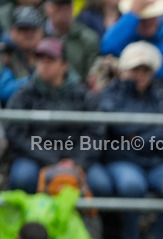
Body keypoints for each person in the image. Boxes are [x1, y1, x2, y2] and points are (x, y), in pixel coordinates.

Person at [92, 41, 163, 239]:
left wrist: (135, 137)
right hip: (122, 160)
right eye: (135, 69)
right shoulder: (111, 93)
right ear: (124, 71)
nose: (140, 75)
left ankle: (158, 238)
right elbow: (118, 124)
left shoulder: (158, 95)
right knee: (131, 184)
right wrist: (149, 127)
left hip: (155, 160)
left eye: (145, 70)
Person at [5, 37, 105, 194]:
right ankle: (31, 219)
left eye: (51, 59)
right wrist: (52, 159)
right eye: (40, 59)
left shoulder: (83, 96)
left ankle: (92, 219)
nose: (44, 64)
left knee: (100, 184)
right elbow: (16, 133)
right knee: (23, 178)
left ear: (64, 65)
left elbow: (96, 132)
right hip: (34, 157)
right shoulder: (23, 95)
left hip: (75, 157)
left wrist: (77, 161)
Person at [100, 0, 163, 97]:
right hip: (125, 94)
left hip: (160, 97)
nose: (148, 22)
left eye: (152, 17)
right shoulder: (125, 35)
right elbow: (107, 47)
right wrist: (133, 14)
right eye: (143, 18)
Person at [43, 0, 100, 82]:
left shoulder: (88, 38)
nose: (64, 10)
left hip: (78, 92)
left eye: (67, 5)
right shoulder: (38, 35)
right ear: (47, 8)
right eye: (58, 6)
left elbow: (91, 77)